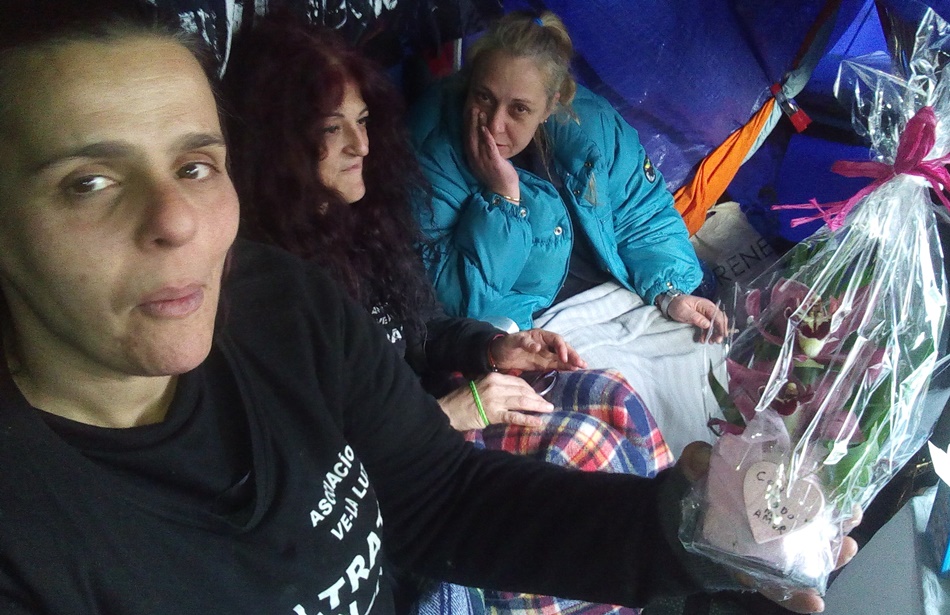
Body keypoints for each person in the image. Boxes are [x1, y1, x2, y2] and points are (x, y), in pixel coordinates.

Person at [0, 2, 856, 614]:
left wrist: (693, 534)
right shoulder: (33, 534)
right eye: (90, 181)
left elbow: (444, 497)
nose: (178, 221)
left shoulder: (280, 304)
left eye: (194, 165)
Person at [221, 11, 590, 433]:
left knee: (611, 393)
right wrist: (450, 413)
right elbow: (320, 445)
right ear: (277, 140)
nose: (361, 145)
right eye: (330, 128)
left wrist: (494, 347)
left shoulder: (363, 221)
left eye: (361, 121)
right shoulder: (268, 279)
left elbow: (423, 328)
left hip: (428, 407)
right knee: (579, 444)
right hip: (409, 447)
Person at [408, 10, 730, 457]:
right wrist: (503, 199)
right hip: (534, 325)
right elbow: (458, 300)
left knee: (705, 358)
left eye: (519, 109)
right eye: (483, 98)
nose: (494, 124)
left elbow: (641, 213)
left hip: (619, 294)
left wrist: (670, 290)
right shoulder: (436, 148)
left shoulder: (592, 126)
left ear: (553, 102)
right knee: (624, 393)